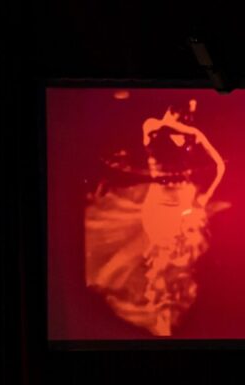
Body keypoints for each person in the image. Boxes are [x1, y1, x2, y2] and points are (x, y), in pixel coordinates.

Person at [85, 99, 227, 336]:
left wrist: (203, 199)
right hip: (159, 203)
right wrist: (193, 131)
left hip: (182, 200)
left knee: (177, 257)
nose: (187, 119)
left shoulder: (187, 134)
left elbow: (220, 165)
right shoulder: (153, 126)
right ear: (172, 111)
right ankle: (161, 310)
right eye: (183, 112)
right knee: (161, 255)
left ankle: (170, 311)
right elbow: (163, 127)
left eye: (189, 115)